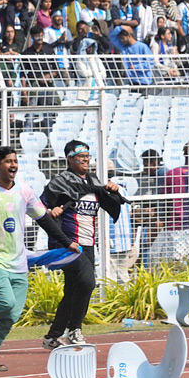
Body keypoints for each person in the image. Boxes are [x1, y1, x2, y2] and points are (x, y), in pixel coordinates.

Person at [0, 147, 77, 371]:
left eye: (15, 161)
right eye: (8, 161)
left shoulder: (25, 191)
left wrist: (67, 242)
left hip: (19, 263)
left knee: (12, 315)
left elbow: (44, 219)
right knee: (6, 302)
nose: (13, 165)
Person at [40, 139, 124, 348]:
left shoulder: (93, 182)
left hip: (88, 245)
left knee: (73, 291)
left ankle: (52, 337)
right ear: (69, 159)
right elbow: (39, 207)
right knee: (88, 282)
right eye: (81, 156)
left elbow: (109, 198)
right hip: (68, 244)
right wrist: (51, 212)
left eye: (88, 156)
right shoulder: (59, 183)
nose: (86, 159)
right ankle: (75, 329)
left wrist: (113, 190)